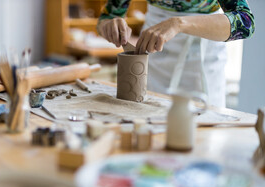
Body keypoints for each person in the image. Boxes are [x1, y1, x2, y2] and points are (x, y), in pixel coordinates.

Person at [97, 0, 255, 107]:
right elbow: (107, 17)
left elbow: (245, 23)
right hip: (154, 57)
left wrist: (179, 23)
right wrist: (109, 25)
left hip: (202, 59)